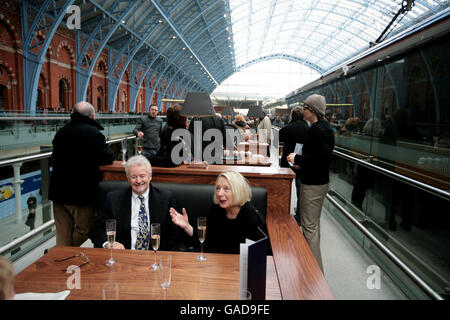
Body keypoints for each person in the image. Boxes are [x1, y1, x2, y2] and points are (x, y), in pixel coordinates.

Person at [49, 101, 114, 247]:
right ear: (93, 116)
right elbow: (108, 157)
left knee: (62, 234)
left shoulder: (61, 132)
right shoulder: (94, 133)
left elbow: (53, 159)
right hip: (82, 194)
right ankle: (61, 254)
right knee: (86, 229)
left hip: (58, 192)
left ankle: (60, 257)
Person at [89, 155, 183, 250]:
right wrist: (108, 243)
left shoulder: (166, 198)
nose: (138, 181)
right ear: (128, 179)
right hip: (124, 256)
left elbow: (174, 234)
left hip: (155, 257)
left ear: (150, 176)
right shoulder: (113, 199)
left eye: (142, 176)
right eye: (134, 177)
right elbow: (96, 230)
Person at [287, 94, 335, 272]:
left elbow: (320, 159)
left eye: (306, 107)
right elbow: (321, 157)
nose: (304, 110)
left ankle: (313, 271)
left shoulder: (315, 130)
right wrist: (302, 161)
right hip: (321, 182)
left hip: (313, 184)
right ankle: (312, 268)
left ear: (313, 111)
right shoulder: (326, 128)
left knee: (309, 227)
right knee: (313, 225)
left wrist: (297, 157)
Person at [169, 170, 268, 254]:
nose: (220, 193)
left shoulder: (252, 218)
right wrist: (187, 226)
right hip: (215, 267)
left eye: (226, 189)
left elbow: (261, 255)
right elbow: (206, 242)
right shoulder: (216, 210)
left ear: (238, 191)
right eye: (218, 188)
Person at [279, 107, 309, 225]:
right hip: (300, 163)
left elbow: (279, 137)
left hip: (287, 162)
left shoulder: (288, 128)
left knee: (283, 188)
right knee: (300, 189)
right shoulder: (308, 128)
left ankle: (281, 211)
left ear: (292, 115)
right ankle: (299, 217)